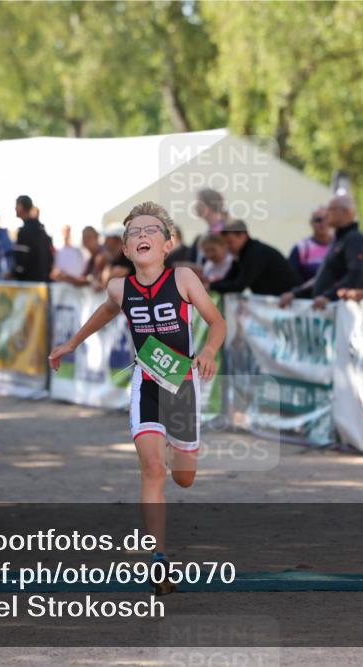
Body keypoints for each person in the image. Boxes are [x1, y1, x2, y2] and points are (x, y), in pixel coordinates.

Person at [48, 201, 225, 596]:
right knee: (151, 469)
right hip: (146, 381)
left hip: (182, 385)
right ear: (126, 250)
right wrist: (70, 344)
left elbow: (217, 321)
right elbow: (106, 311)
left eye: (151, 231)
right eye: (134, 233)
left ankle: (180, 451)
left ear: (168, 244)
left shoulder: (184, 279)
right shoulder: (119, 287)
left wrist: (209, 351)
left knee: (183, 477)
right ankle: (158, 557)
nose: (142, 236)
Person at [279, 194, 363, 309]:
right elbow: (322, 277)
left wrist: (329, 296)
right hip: (326, 312)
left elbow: (356, 276)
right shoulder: (338, 240)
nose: (327, 214)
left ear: (346, 212)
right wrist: (295, 293)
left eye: (331, 209)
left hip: (343, 314)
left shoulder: (354, 239)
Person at [208, 220, 298, 296]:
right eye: (225, 243)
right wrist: (210, 285)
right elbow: (230, 278)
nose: (227, 247)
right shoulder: (242, 254)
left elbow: (239, 286)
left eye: (230, 242)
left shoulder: (255, 253)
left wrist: (210, 286)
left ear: (242, 236)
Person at [10, 195, 54, 282]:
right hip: (42, 283)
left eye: (17, 205)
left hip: (28, 285)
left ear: (21, 207)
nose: (15, 208)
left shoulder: (25, 232)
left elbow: (21, 263)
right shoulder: (41, 230)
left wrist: (13, 274)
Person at [288, 207, 333, 283]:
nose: (323, 223)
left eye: (326, 219)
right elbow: (291, 277)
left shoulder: (341, 244)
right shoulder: (301, 248)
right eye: (318, 220)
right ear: (311, 223)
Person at [188, 188, 229, 263]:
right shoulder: (207, 233)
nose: (195, 206)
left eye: (198, 203)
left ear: (208, 205)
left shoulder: (225, 231)